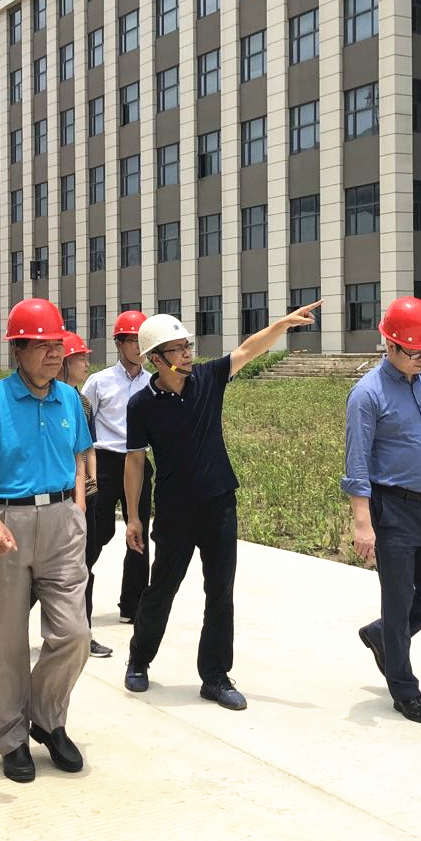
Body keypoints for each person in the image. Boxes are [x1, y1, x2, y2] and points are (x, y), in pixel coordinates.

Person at [122, 301, 321, 711]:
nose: (187, 354)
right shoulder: (141, 404)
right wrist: (134, 517)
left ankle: (214, 677)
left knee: (220, 591)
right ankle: (139, 659)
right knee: (162, 588)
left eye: (187, 346)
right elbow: (135, 461)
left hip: (218, 504)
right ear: (156, 359)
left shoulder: (209, 378)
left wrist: (283, 324)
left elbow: (248, 349)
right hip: (174, 511)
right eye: (178, 349)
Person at [0, 299, 94, 783]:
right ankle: (11, 737)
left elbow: (79, 458)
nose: (54, 354)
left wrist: (78, 509)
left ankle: (47, 719)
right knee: (8, 642)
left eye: (57, 345)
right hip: (7, 522)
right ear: (17, 349)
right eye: (42, 345)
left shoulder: (69, 399)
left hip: (62, 523)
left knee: (74, 633)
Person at [342, 296, 421, 726]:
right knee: (398, 602)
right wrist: (363, 525)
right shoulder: (367, 394)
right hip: (392, 509)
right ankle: (404, 689)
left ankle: (381, 636)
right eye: (414, 351)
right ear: (390, 345)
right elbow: (357, 463)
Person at [81, 311, 153, 629]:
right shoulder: (99, 382)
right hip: (105, 463)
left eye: (142, 341)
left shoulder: (153, 382)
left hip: (139, 462)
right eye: (132, 340)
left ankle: (133, 606)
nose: (138, 347)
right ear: (119, 344)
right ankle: (77, 594)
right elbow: (83, 423)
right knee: (98, 532)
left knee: (139, 535)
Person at [51, 330, 109, 657]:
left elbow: (88, 447)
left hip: (86, 495)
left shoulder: (83, 402)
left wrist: (92, 484)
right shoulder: (50, 400)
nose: (87, 364)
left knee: (85, 565)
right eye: (81, 359)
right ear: (65, 362)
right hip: (59, 498)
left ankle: (83, 634)